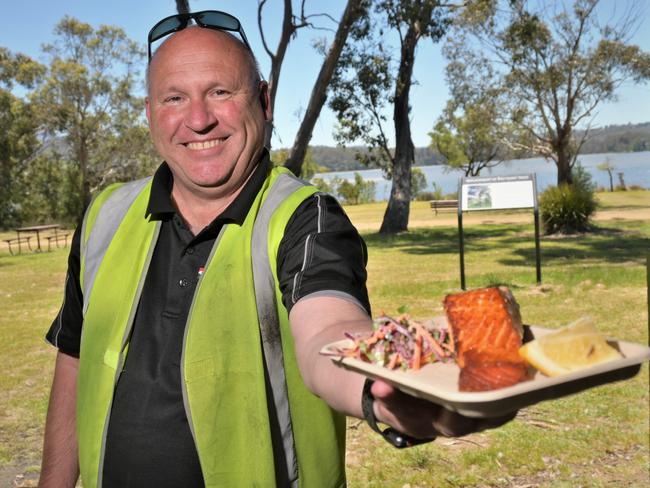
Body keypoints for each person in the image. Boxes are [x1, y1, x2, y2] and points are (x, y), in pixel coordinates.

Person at [39, 11, 514, 488]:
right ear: (150, 114)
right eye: (174, 98)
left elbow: (328, 328)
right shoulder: (106, 214)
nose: (199, 119)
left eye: (221, 92)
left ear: (264, 101)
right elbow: (74, 357)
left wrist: (378, 389)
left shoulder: (307, 220)